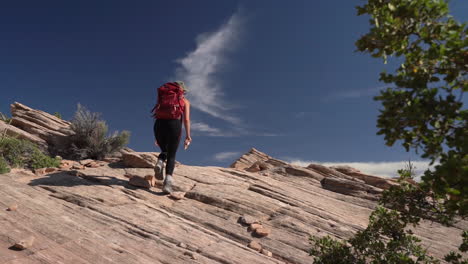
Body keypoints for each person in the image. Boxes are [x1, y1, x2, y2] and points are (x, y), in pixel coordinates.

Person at [152, 81, 191, 193]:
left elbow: (158, 112)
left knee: (164, 150)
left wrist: (158, 136)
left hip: (158, 124)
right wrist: (188, 136)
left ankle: (160, 161)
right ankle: (167, 184)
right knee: (172, 154)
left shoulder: (164, 97)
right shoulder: (185, 101)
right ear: (182, 91)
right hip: (174, 125)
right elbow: (186, 120)